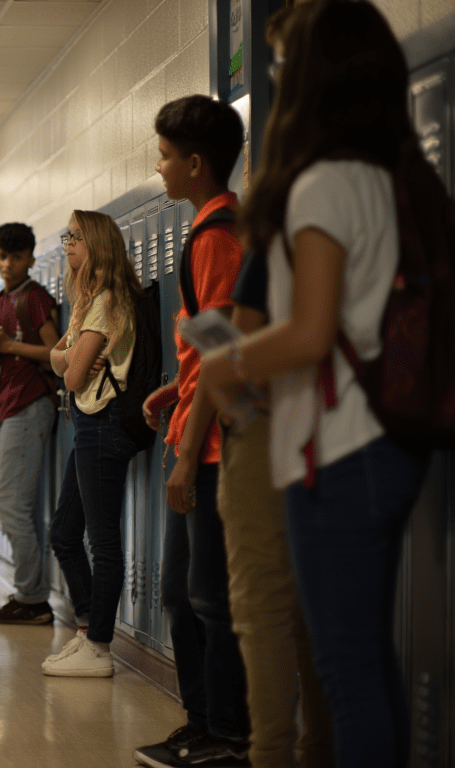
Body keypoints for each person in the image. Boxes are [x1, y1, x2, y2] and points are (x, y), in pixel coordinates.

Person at [201, 3, 432, 765]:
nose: (274, 77)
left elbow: (308, 330)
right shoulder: (394, 175)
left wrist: (224, 361)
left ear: (309, 76)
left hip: (339, 451)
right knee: (367, 661)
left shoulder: (322, 182)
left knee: (346, 669)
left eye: (281, 64)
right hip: (392, 443)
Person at [133, 95, 252, 767]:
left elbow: (224, 350)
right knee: (183, 591)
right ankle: (202, 719)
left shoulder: (216, 237)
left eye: (166, 155)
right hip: (192, 428)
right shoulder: (208, 230)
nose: (159, 166)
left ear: (195, 164)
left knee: (208, 595)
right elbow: (210, 344)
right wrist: (175, 390)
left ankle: (228, 736)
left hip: (210, 448)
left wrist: (186, 455)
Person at [44, 210, 142, 678]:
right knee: (64, 531)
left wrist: (65, 359)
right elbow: (57, 360)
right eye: (66, 236)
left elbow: (72, 373)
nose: (67, 243)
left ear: (98, 244)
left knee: (102, 540)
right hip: (87, 423)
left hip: (102, 424)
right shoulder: (87, 303)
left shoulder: (103, 301)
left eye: (75, 236)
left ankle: (99, 645)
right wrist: (65, 357)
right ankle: (87, 630)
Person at [0, 223, 61, 624]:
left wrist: (9, 346)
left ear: (31, 258)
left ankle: (33, 597)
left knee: (11, 504)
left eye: (15, 257)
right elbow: (9, 356)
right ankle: (29, 593)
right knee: (9, 501)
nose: (7, 264)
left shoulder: (35, 299)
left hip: (30, 405)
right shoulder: (0, 301)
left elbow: (55, 353)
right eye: (1, 256)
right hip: (5, 404)